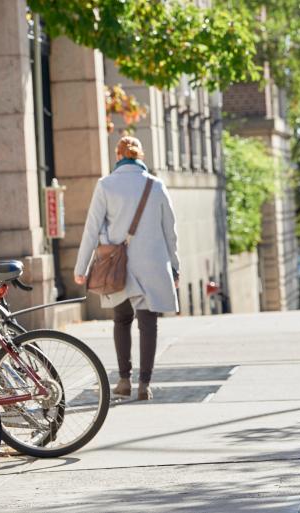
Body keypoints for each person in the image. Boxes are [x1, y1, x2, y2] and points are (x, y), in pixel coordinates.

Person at [74, 136, 180, 401]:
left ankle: (124, 380)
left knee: (121, 320)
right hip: (153, 264)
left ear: (117, 155)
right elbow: (171, 232)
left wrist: (82, 267)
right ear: (140, 156)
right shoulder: (156, 186)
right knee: (148, 323)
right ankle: (145, 384)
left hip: (117, 267)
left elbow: (91, 229)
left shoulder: (105, 185)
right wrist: (175, 267)